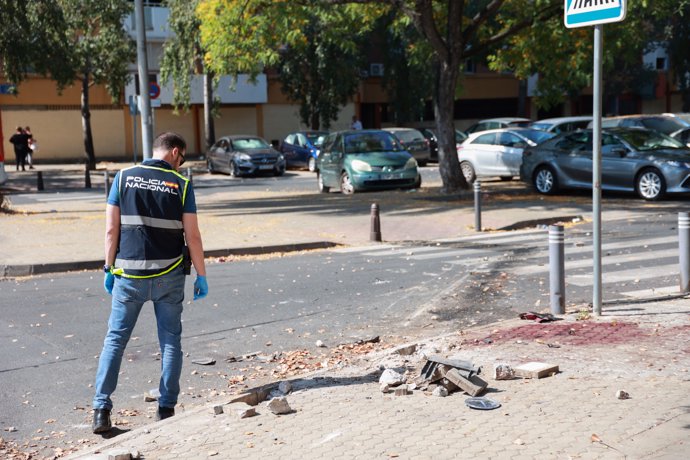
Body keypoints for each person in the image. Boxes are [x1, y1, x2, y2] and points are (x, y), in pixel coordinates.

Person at [92, 132, 209, 434]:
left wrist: (108, 267)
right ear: (173, 152)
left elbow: (110, 229)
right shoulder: (181, 185)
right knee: (170, 341)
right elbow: (192, 236)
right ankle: (166, 409)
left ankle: (101, 410)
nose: (181, 165)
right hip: (168, 276)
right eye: (181, 159)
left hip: (128, 277)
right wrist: (201, 274)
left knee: (115, 340)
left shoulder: (123, 177)